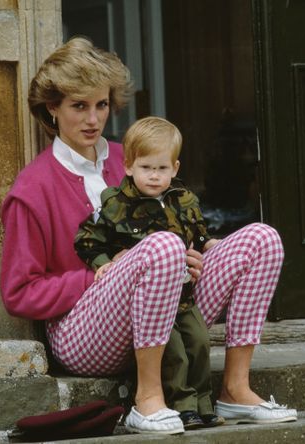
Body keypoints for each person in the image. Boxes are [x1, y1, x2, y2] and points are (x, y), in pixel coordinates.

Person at [0, 37, 297, 436]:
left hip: (163, 320)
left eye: (101, 104)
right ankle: (148, 399)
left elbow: (174, 223)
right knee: (161, 246)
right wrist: (99, 275)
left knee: (262, 238)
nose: (93, 118)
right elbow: (19, 292)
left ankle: (234, 387)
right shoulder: (32, 189)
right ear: (52, 107)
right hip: (83, 336)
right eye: (78, 105)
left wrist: (188, 256)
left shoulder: (133, 159)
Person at [74, 116, 225, 430]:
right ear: (128, 166)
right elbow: (87, 238)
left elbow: (196, 233)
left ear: (175, 168)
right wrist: (103, 263)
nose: (154, 177)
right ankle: (182, 405)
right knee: (175, 352)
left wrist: (209, 243)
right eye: (146, 168)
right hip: (151, 303)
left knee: (199, 342)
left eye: (162, 169)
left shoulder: (184, 201)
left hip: (184, 294)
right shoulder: (117, 204)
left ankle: (203, 402)